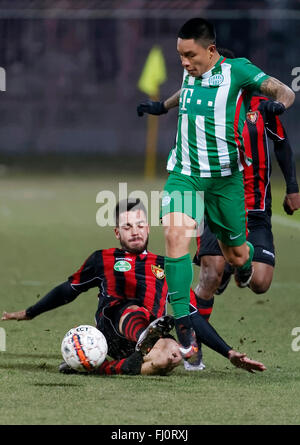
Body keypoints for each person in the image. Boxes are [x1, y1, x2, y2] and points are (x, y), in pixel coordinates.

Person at [137, 17, 295, 359]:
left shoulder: (238, 71)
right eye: (180, 55)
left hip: (225, 180)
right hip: (185, 173)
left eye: (189, 55)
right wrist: (161, 107)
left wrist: (278, 105)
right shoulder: (191, 70)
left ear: (210, 51)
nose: (183, 62)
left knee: (238, 255)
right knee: (175, 236)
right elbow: (187, 91)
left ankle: (242, 263)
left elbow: (286, 90)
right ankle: (184, 325)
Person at [2, 198, 266, 374]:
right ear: (118, 233)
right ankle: (140, 339)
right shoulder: (102, 259)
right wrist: (30, 312)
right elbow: (68, 290)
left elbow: (192, 315)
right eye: (127, 227)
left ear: (148, 228)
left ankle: (110, 367)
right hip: (114, 331)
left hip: (149, 334)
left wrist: (228, 352)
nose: (135, 231)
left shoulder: (167, 265)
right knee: (132, 309)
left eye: (140, 225)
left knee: (172, 356)